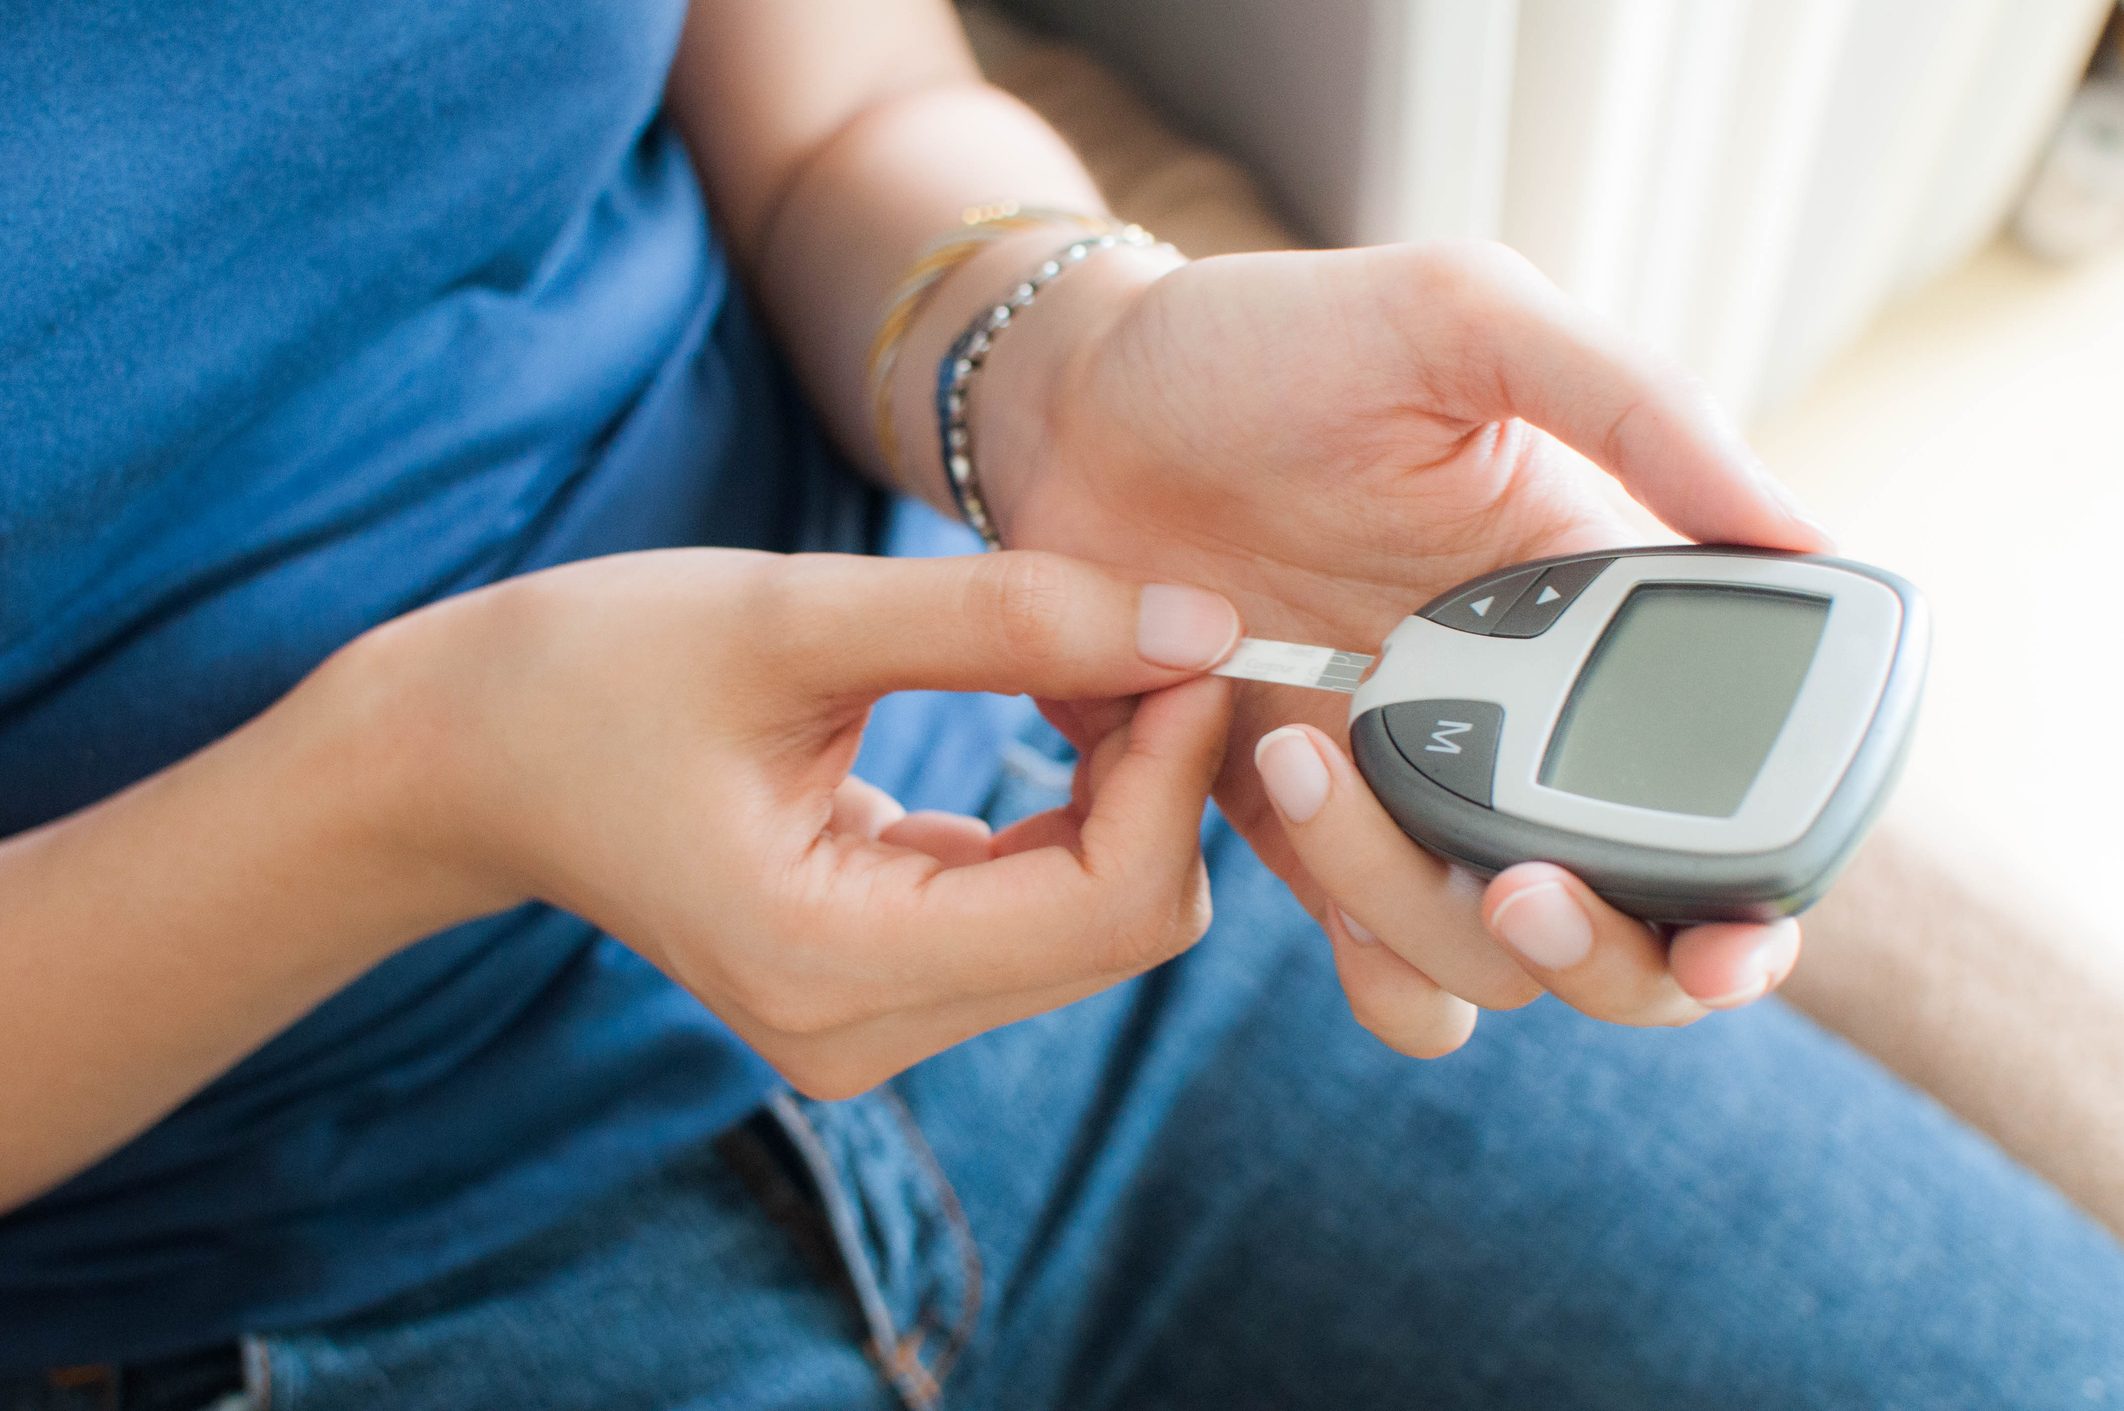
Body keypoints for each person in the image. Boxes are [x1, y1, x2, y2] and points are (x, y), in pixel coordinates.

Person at [3, 1, 2119, 1406]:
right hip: (267, 1277)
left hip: (1084, 822)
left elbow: (840, 109)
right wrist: (429, 779)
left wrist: (1060, 355)